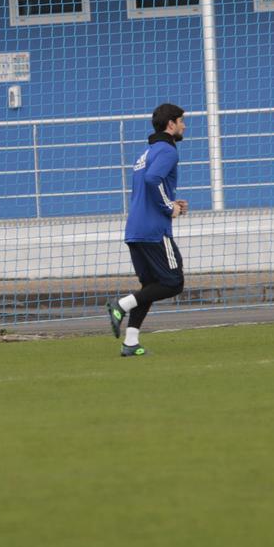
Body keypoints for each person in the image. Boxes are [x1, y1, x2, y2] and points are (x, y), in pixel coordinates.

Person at [107, 102, 189, 357]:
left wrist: (172, 203)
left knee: (150, 286)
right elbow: (153, 180)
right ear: (171, 124)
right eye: (181, 121)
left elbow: (147, 185)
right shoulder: (167, 150)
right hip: (154, 231)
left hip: (135, 230)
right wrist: (169, 208)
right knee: (174, 282)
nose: (184, 126)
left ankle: (130, 343)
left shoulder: (146, 153)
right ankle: (121, 304)